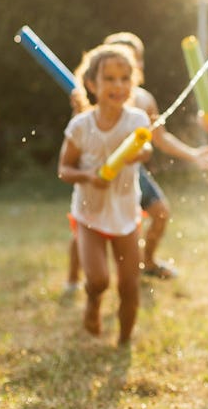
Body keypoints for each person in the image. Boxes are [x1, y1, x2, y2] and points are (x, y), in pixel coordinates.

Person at [64, 32, 208, 295]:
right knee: (88, 225)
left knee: (161, 213)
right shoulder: (94, 101)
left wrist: (193, 155)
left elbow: (159, 138)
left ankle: (147, 260)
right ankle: (73, 277)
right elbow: (81, 133)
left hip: (132, 173)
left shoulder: (144, 100)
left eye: (129, 64)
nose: (119, 79)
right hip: (99, 172)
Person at [58, 42, 153, 344]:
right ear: (92, 84)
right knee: (98, 279)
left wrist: (137, 153)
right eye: (109, 79)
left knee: (129, 285)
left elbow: (147, 148)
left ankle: (124, 342)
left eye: (125, 78)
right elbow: (64, 169)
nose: (118, 85)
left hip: (125, 212)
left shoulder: (136, 120)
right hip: (90, 212)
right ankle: (93, 301)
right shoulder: (80, 126)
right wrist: (88, 176)